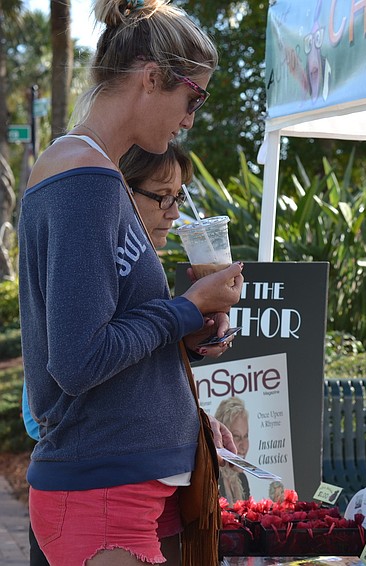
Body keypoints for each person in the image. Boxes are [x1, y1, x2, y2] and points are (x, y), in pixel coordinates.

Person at [17, 0, 244, 564]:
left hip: (117, 490)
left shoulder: (89, 172)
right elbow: (78, 359)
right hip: (101, 491)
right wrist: (186, 310)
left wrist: (184, 332)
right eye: (193, 97)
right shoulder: (86, 177)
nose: (191, 118)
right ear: (150, 78)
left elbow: (98, 334)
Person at [215, 396, 252, 503]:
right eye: (236, 436)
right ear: (221, 436)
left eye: (246, 436)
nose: (243, 446)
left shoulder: (242, 479)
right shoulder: (212, 477)